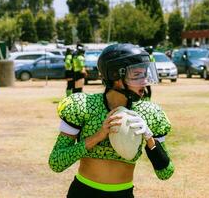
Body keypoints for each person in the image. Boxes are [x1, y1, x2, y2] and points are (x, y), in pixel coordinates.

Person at [48, 43, 174, 198]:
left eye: (145, 74)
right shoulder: (83, 107)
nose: (145, 81)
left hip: (123, 194)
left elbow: (166, 173)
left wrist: (150, 139)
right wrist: (96, 137)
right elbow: (56, 162)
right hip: (83, 193)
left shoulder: (149, 113)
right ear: (116, 76)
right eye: (137, 75)